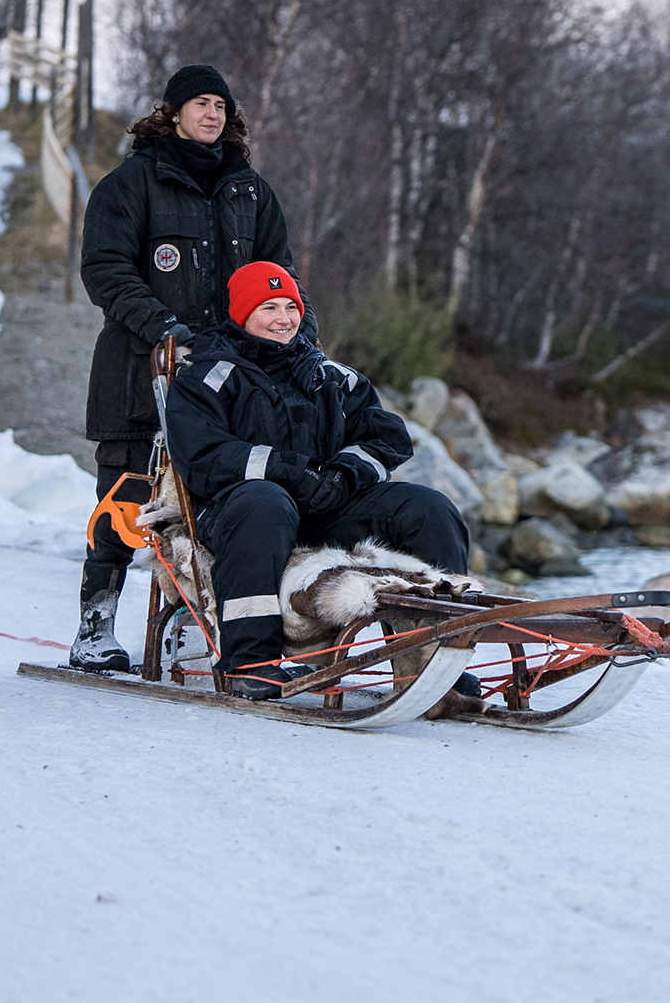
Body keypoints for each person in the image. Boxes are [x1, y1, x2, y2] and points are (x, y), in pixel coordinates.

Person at [71, 64, 313, 673]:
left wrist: (299, 336)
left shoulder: (249, 192)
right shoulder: (131, 184)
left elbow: (279, 278)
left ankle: (192, 626)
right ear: (173, 111)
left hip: (232, 385)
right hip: (141, 373)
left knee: (219, 506)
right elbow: (105, 270)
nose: (212, 114)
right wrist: (163, 326)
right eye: (200, 103)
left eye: (221, 106)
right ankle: (94, 629)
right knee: (126, 500)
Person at [165, 261, 470, 699]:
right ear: (242, 314)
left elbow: (388, 437)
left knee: (428, 508)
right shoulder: (206, 377)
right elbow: (203, 455)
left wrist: (344, 475)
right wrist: (292, 472)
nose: (284, 318)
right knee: (265, 502)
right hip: (242, 516)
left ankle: (437, 660)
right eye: (269, 307)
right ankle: (251, 661)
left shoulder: (328, 374)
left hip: (325, 511)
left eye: (290, 307)